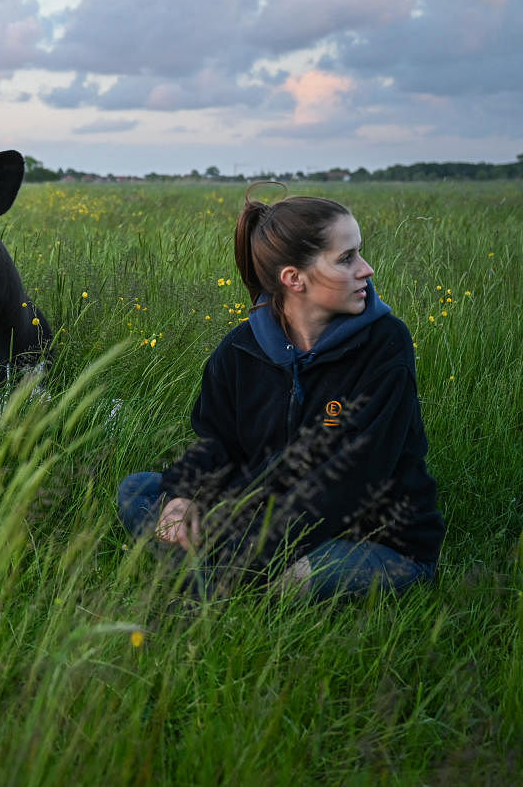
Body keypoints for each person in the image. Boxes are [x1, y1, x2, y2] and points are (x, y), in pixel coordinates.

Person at [116, 188, 444, 600]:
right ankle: (220, 571)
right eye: (347, 258)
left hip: (369, 535)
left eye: (358, 253)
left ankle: (214, 575)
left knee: (307, 574)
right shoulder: (239, 350)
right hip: (258, 513)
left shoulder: (384, 345)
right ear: (294, 278)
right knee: (140, 490)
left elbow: (353, 481)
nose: (367, 269)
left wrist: (245, 545)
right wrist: (183, 498)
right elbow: (216, 443)